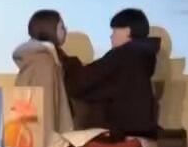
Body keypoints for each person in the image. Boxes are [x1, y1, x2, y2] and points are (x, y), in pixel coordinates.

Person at [60, 8, 161, 138]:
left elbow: (86, 80)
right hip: (140, 129)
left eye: (114, 31)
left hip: (123, 132)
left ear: (127, 31)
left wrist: (67, 62)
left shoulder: (124, 55)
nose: (111, 36)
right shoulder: (143, 56)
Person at [12, 9, 74, 147]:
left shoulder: (39, 58)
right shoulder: (44, 61)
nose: (66, 30)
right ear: (49, 29)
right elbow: (45, 111)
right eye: (62, 27)